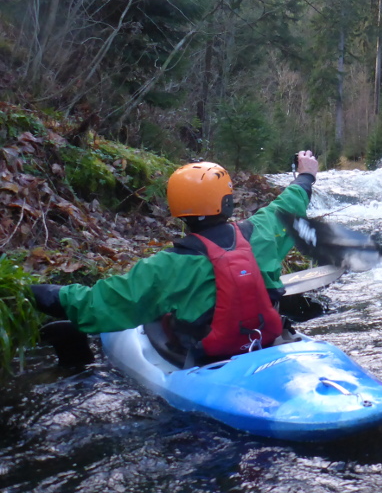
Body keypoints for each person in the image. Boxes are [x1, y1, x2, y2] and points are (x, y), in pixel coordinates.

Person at [31, 151, 319, 363]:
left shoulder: (165, 266)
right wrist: (306, 174)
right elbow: (290, 202)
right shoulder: (263, 233)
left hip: (208, 358)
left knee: (161, 316)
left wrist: (39, 293)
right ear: (227, 202)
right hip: (264, 344)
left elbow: (95, 305)